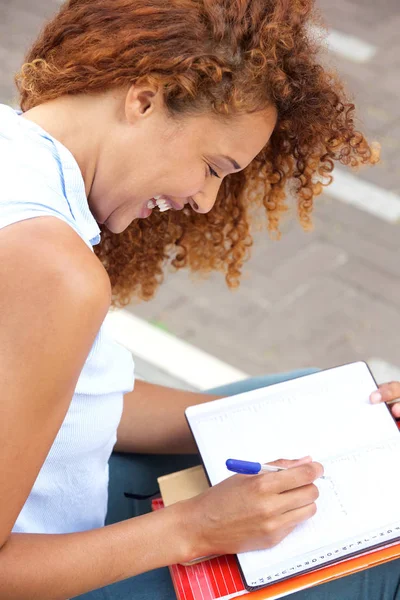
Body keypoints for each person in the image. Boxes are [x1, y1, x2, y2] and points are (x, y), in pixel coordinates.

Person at [0, 0, 398, 598]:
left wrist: (326, 419)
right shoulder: (56, 273)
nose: (207, 202)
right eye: (213, 167)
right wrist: (193, 529)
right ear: (144, 99)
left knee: (311, 383)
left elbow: (62, 397)